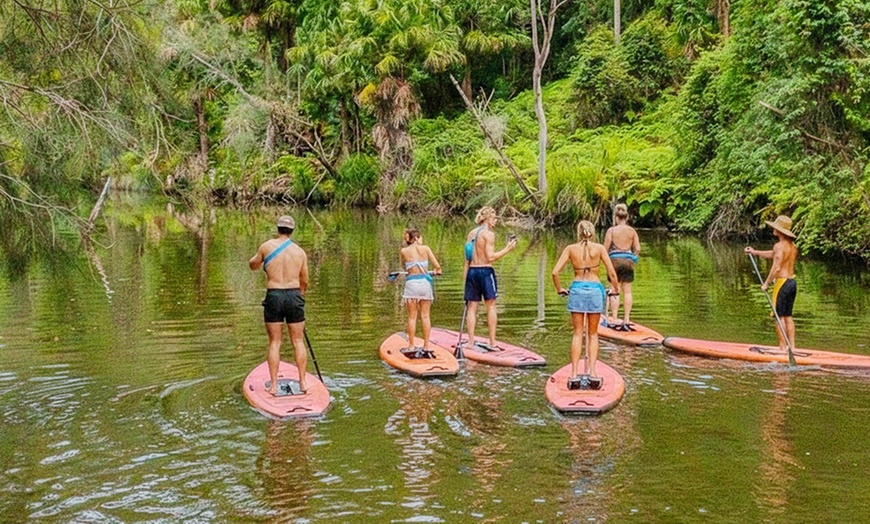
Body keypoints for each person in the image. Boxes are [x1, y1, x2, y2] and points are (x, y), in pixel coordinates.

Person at [249, 215, 310, 395]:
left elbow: (253, 265)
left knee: (275, 342)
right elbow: (305, 280)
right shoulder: (300, 252)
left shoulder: (266, 247)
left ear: (277, 228)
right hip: (294, 295)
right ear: (292, 230)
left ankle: (274, 386)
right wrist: (300, 296)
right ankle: (303, 383)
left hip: (274, 295)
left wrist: (259, 260)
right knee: (297, 341)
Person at [552, 220, 619, 385]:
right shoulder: (600, 249)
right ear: (592, 232)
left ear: (578, 232)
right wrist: (615, 290)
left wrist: (559, 289)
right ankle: (593, 373)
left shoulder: (570, 249)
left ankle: (574, 374)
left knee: (577, 333)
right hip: (595, 290)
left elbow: (555, 273)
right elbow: (612, 273)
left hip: (577, 290)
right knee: (593, 333)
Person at [463, 206, 517, 350]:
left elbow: (467, 258)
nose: (495, 221)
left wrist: (465, 277)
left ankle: (470, 342)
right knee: (491, 306)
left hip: (472, 272)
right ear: (487, 219)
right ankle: (492, 342)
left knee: (472, 307)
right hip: (485, 272)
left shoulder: (471, 234)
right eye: (494, 218)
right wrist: (508, 249)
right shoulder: (488, 234)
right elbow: (490, 257)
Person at [745, 215, 798, 353]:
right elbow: (774, 254)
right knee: (788, 316)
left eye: (775, 227)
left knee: (778, 317)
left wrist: (766, 283)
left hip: (782, 283)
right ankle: (792, 347)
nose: (773, 229)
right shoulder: (792, 247)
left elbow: (777, 267)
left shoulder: (779, 246)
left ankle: (782, 347)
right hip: (792, 282)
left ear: (780, 231)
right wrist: (755, 252)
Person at [400, 228, 442, 353]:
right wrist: (435, 272)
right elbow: (437, 267)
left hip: (411, 285)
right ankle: (426, 346)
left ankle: (411, 345)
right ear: (417, 238)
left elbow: (405, 268)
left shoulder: (404, 251)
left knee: (412, 317)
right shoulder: (426, 249)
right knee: (425, 316)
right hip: (425, 284)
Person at [602, 203, 641, 329]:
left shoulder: (611, 231)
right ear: (627, 216)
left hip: (614, 262)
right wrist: (633, 258)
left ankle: (614, 317)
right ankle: (627, 318)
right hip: (628, 262)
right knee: (627, 291)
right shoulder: (632, 231)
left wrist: (605, 262)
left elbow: (604, 249)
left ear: (615, 217)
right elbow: (638, 248)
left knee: (614, 289)